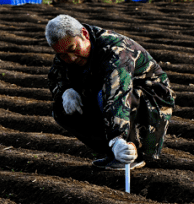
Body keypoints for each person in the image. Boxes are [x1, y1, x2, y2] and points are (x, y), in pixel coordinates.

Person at [45, 14, 174, 171]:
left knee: (104, 97)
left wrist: (117, 137)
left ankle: (132, 151)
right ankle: (112, 152)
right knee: (61, 109)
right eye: (63, 55)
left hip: (151, 100)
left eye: (73, 49)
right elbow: (55, 77)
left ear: (84, 34)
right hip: (111, 95)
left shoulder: (114, 49)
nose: (71, 58)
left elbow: (117, 93)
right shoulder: (65, 49)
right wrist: (66, 91)